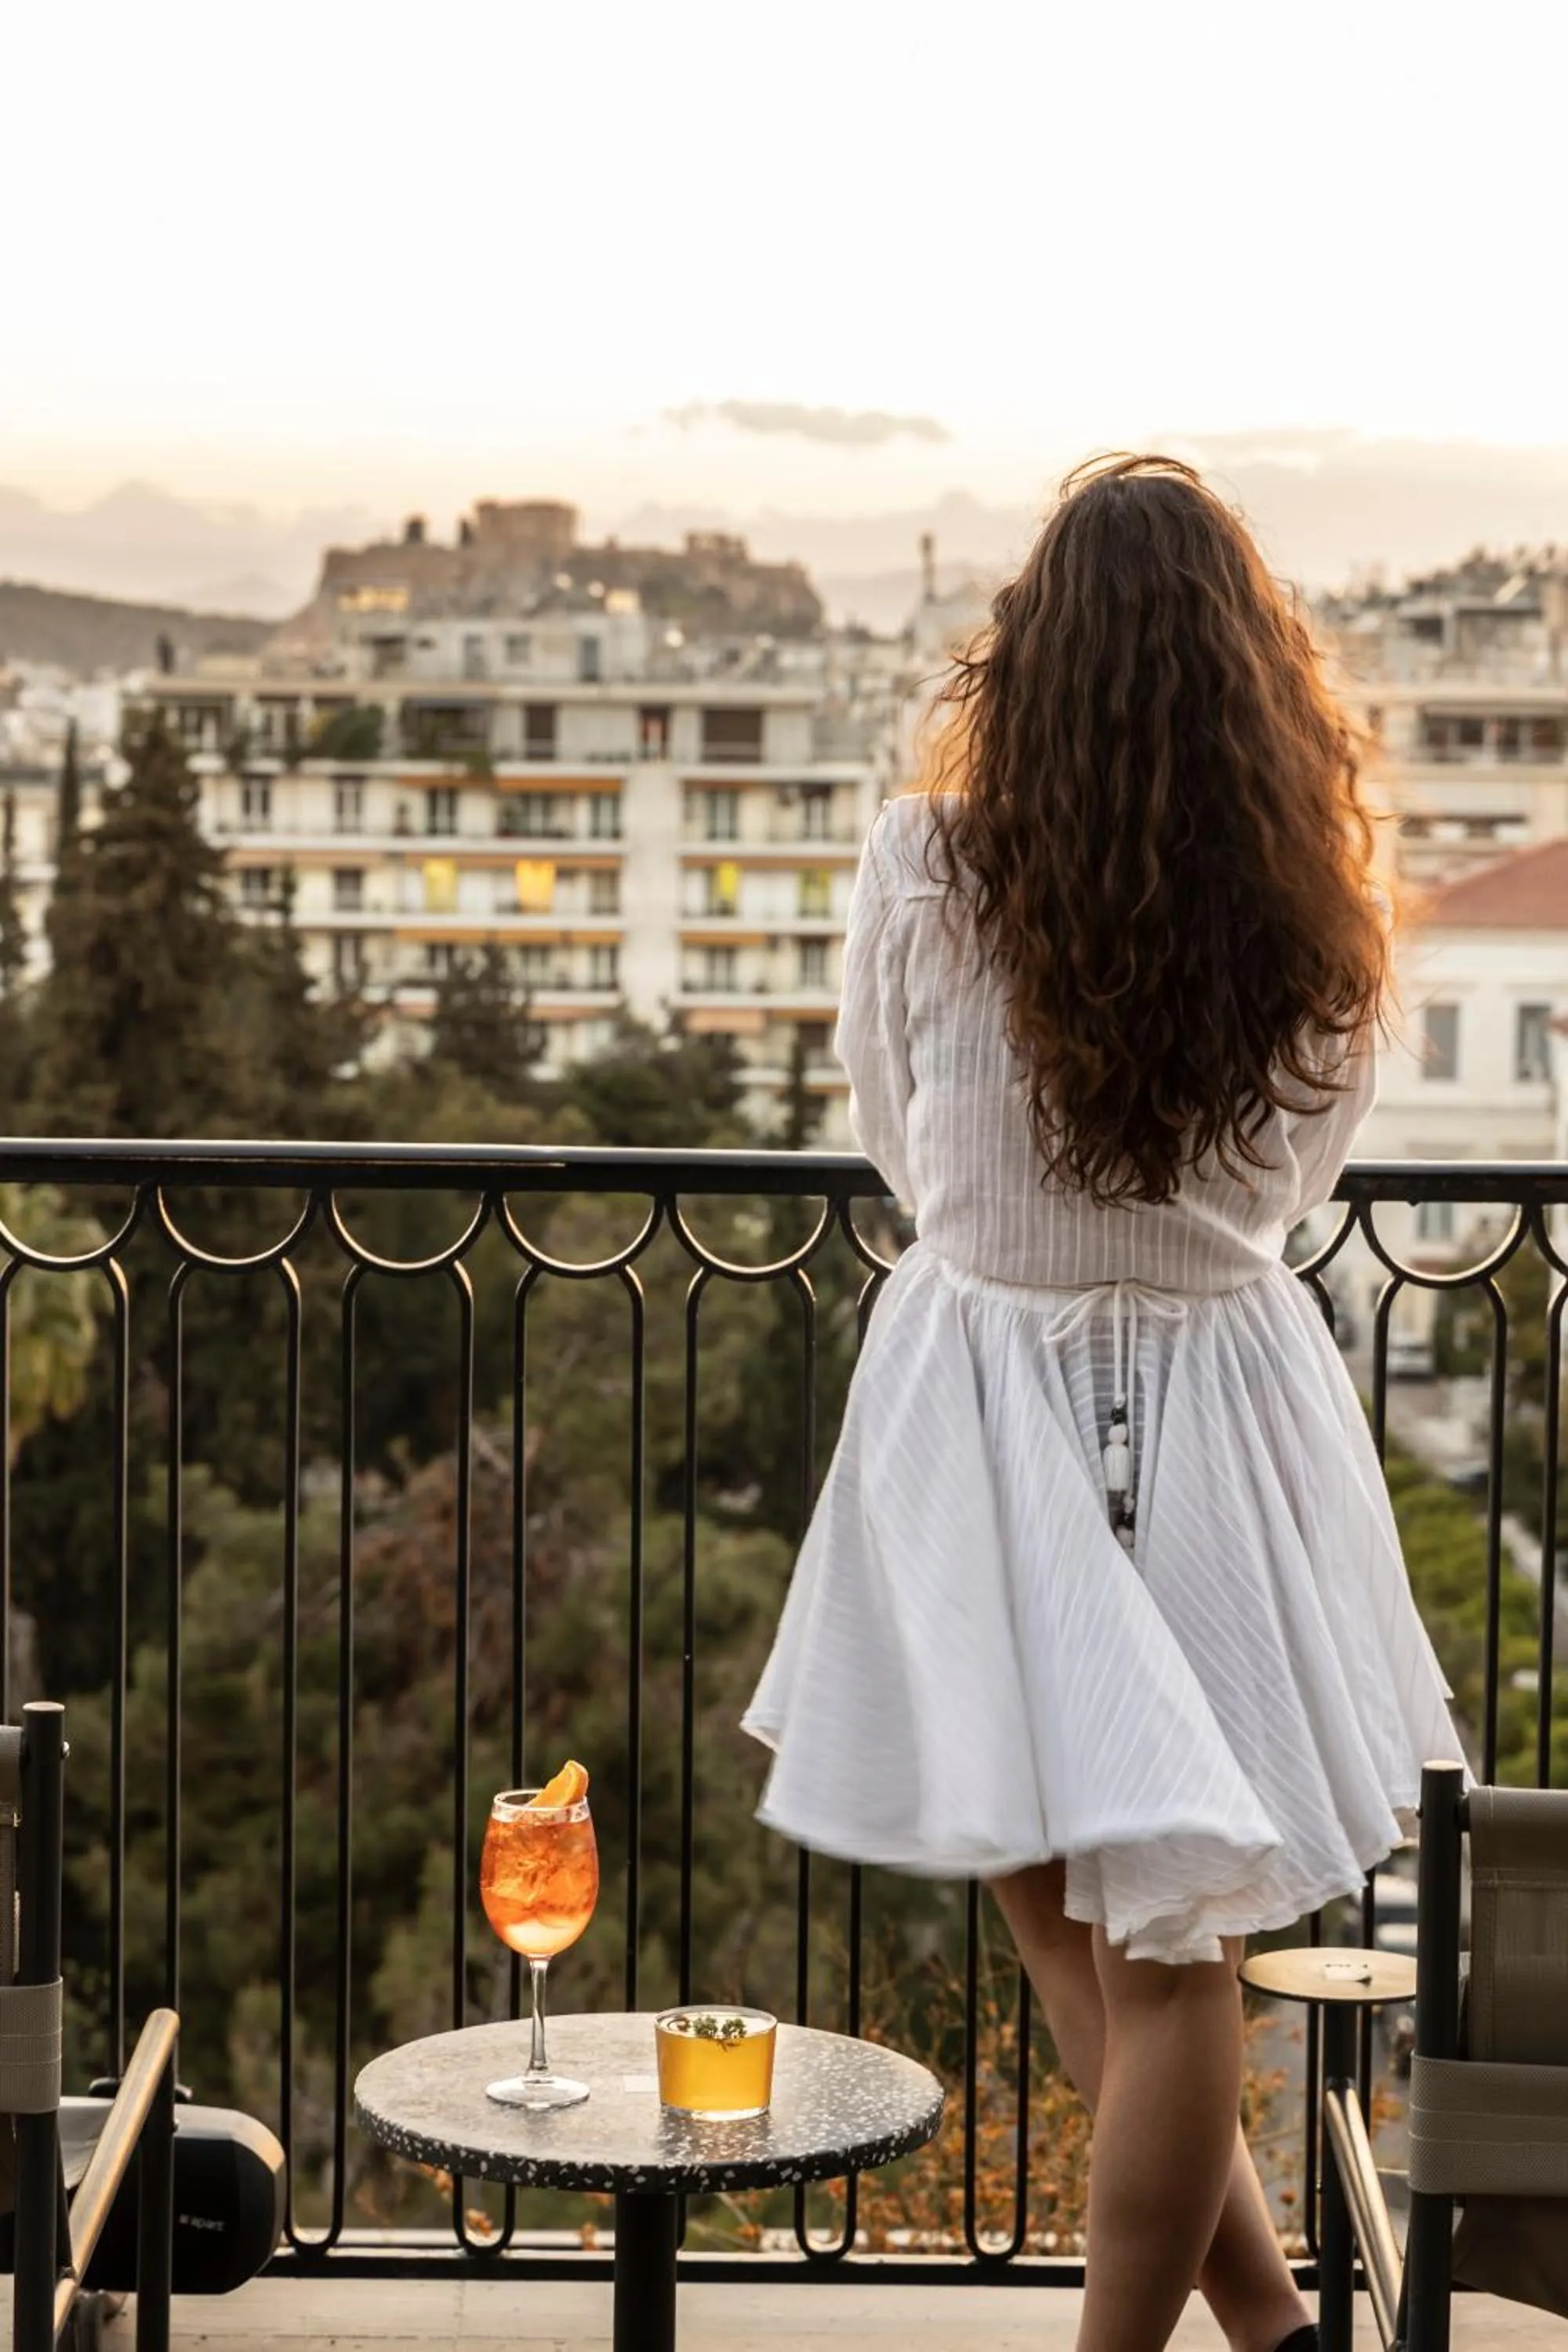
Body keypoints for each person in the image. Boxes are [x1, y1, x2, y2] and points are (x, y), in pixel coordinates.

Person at [742, 456, 1460, 2352]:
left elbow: (900, 1148)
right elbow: (1300, 1189)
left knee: (1135, 1935)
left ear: (1025, 662)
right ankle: (1281, 2339)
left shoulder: (931, 866)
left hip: (984, 1402)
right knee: (1144, 1940)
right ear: (1256, 674)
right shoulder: (1319, 915)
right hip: (1223, 1408)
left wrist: (1029, 1235)